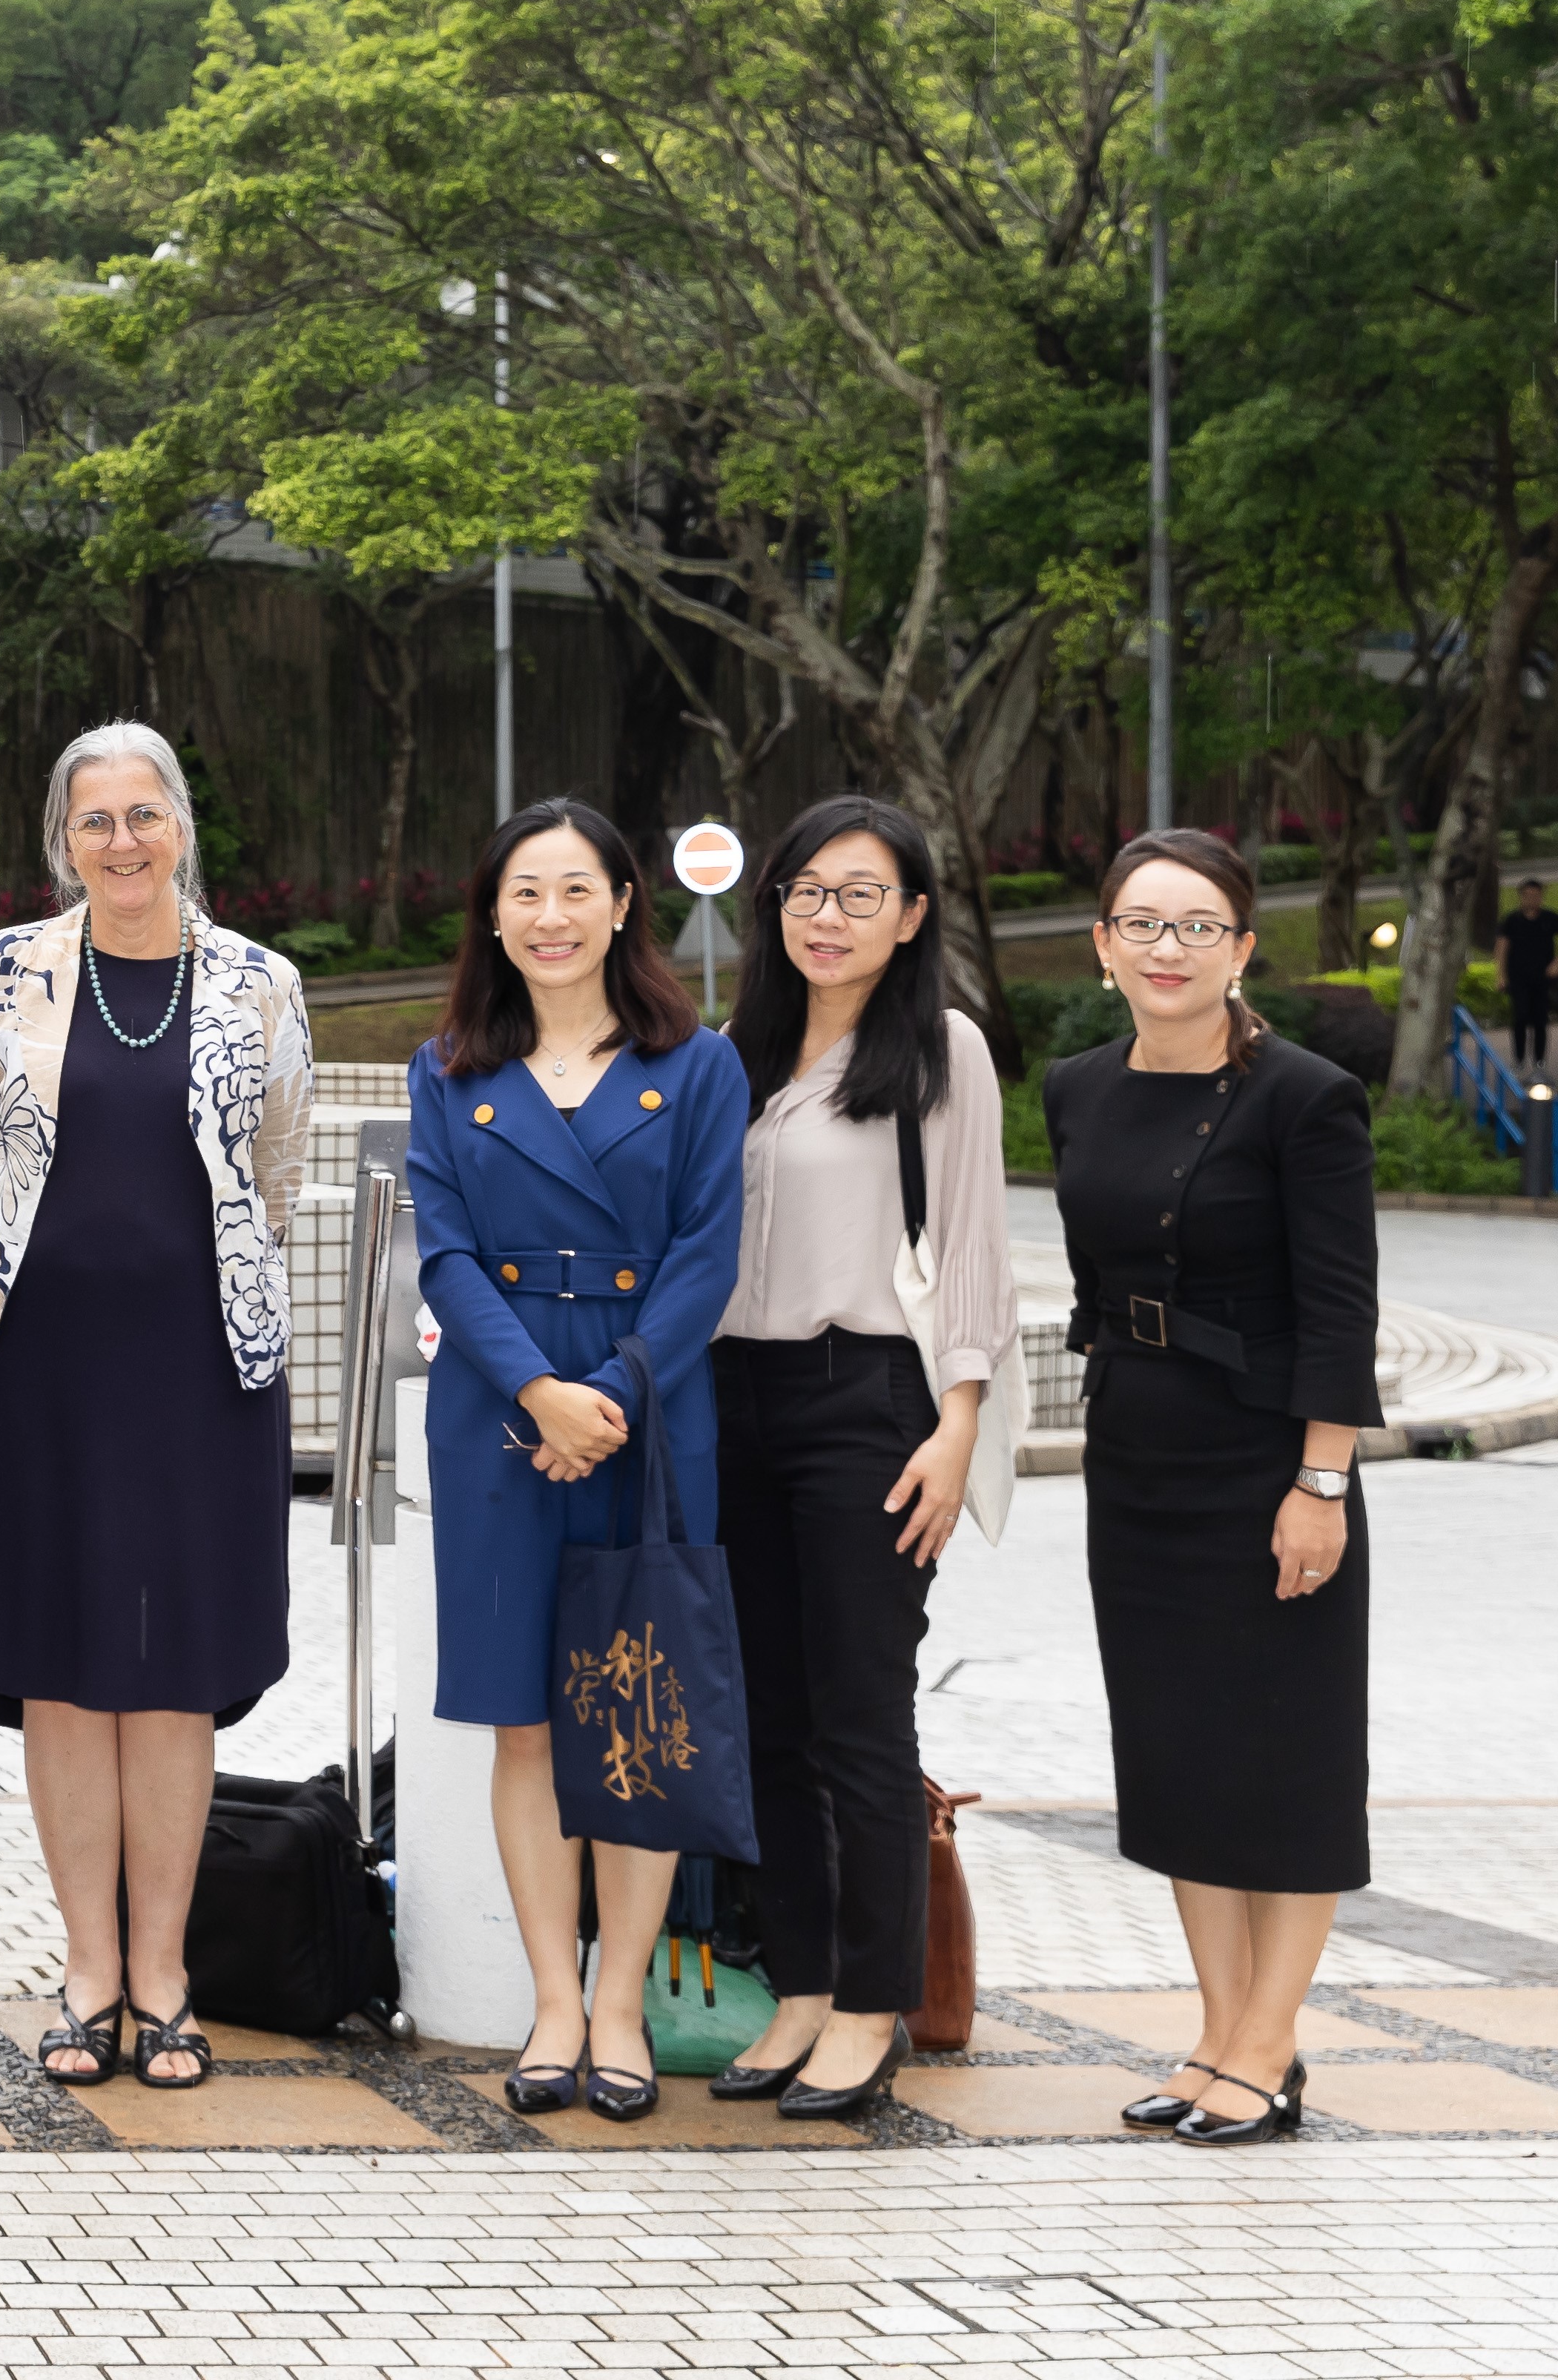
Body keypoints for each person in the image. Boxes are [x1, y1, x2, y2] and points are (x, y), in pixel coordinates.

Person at [0, 722, 313, 2092]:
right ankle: (87, 1970)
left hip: (199, 1371)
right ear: (62, 839)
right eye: (96, 821)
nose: (124, 842)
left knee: (173, 1677)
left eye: (145, 816)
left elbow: (274, 1168)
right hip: (27, 1365)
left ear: (182, 825)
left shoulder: (260, 985)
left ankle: (166, 1973)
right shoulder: (4, 969)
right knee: (62, 1667)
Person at [405, 797, 745, 2123]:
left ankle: (621, 2012)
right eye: (524, 894)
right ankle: (554, 1999)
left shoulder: (699, 1064)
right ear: (494, 914)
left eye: (575, 891)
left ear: (621, 906)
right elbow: (441, 1251)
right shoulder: (450, 1068)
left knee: (638, 1709)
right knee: (528, 1723)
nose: (550, 918)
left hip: (650, 1408)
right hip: (501, 1409)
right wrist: (540, 1391)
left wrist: (603, 1395)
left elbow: (706, 1256)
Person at [1047, 827, 1379, 2146]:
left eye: (1197, 926)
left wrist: (1324, 1482)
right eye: (1143, 923)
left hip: (1266, 1461)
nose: (1167, 948)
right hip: (1138, 1454)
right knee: (1179, 1752)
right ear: (1105, 946)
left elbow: (1341, 1313)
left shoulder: (1305, 1096)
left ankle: (1271, 2042)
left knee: (1285, 1760)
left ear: (1243, 947)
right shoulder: (1077, 1086)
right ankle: (1217, 2034)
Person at [707, 795, 1017, 2121]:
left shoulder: (941, 1051)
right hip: (735, 1396)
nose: (827, 918)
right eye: (804, 892)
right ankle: (802, 1985)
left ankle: (875, 2000)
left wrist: (958, 1423)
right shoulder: (738, 1054)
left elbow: (978, 1250)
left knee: (859, 1717)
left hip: (869, 1399)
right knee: (767, 1715)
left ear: (913, 915)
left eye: (858, 894)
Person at [1504, 880, 1553, 1076]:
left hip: (1543, 978)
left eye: (1536, 895)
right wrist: (1501, 975)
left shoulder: (1550, 918)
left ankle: (1540, 1063)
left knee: (1541, 1020)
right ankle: (1519, 1060)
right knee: (1521, 1018)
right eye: (1528, 895)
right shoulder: (1512, 921)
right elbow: (1502, 946)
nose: (1532, 899)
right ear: (1522, 896)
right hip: (1519, 978)